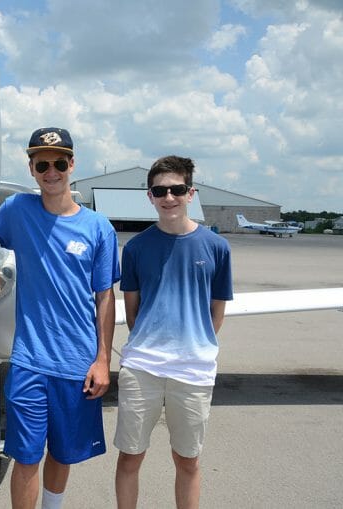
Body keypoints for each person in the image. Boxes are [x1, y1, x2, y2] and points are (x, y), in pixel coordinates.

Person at [0, 128, 120, 509]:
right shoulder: (18, 210)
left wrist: (103, 360)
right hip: (29, 360)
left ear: (72, 164)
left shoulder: (99, 228)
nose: (51, 171)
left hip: (77, 362)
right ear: (32, 169)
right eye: (42, 165)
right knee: (25, 457)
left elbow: (105, 297)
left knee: (62, 453)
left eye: (58, 163)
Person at [113, 155, 233, 509]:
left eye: (177, 190)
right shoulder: (135, 249)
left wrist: (194, 345)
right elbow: (132, 312)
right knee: (130, 456)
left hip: (193, 371)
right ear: (150, 196)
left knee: (188, 460)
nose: (169, 197)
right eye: (160, 191)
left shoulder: (217, 247)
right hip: (142, 367)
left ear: (190, 193)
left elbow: (217, 312)